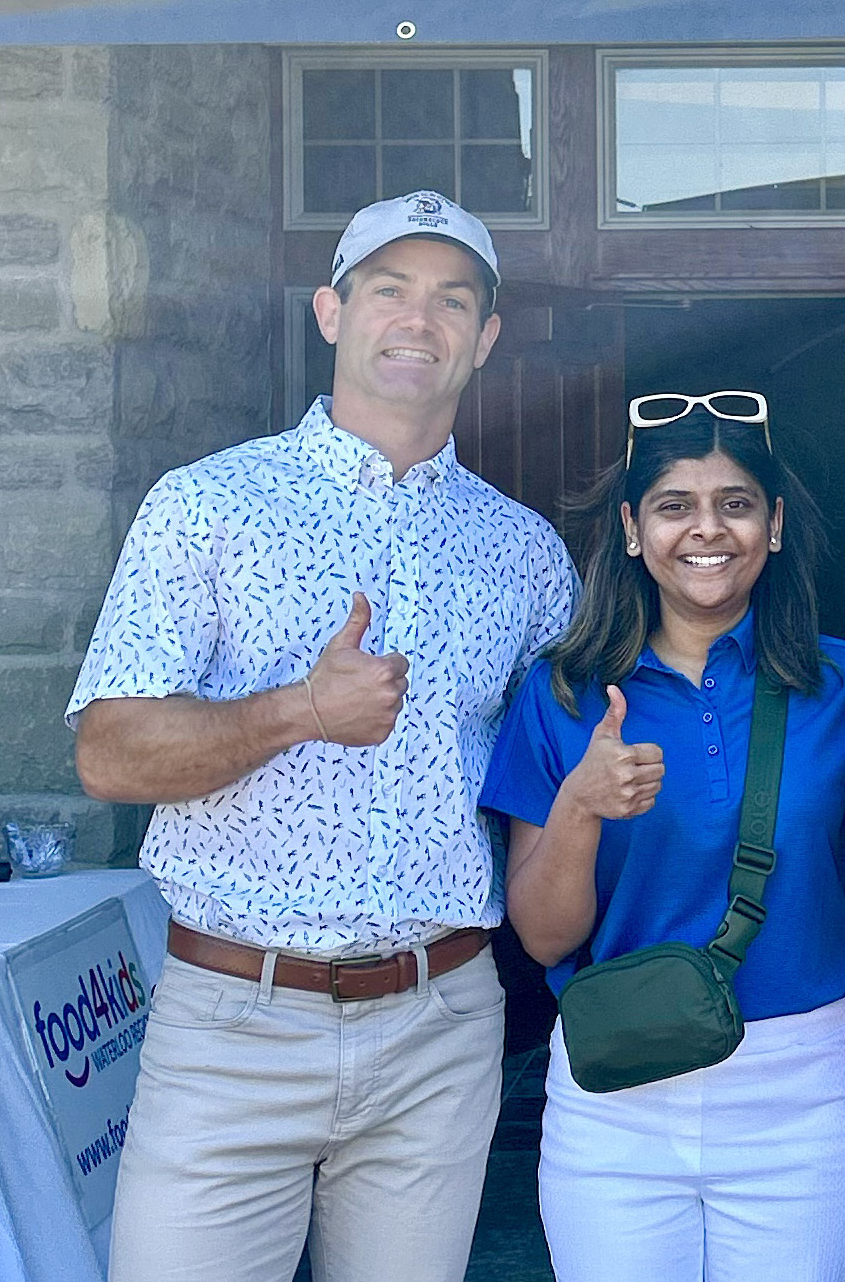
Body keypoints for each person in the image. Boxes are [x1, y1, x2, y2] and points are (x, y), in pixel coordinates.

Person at [69, 190, 577, 1282]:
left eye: (452, 300)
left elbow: (552, 780)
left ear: (485, 338)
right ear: (331, 313)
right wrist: (300, 709)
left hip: (441, 1023)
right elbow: (108, 754)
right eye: (389, 289)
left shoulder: (526, 552)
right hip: (232, 1023)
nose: (418, 319)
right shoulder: (206, 504)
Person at [485, 394, 845, 1282]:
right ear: (631, 529)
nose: (707, 529)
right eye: (673, 506)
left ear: (774, 525)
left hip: (798, 1085)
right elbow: (543, 938)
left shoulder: (844, 681)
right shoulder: (563, 693)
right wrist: (580, 805)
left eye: (736, 503)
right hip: (614, 1092)